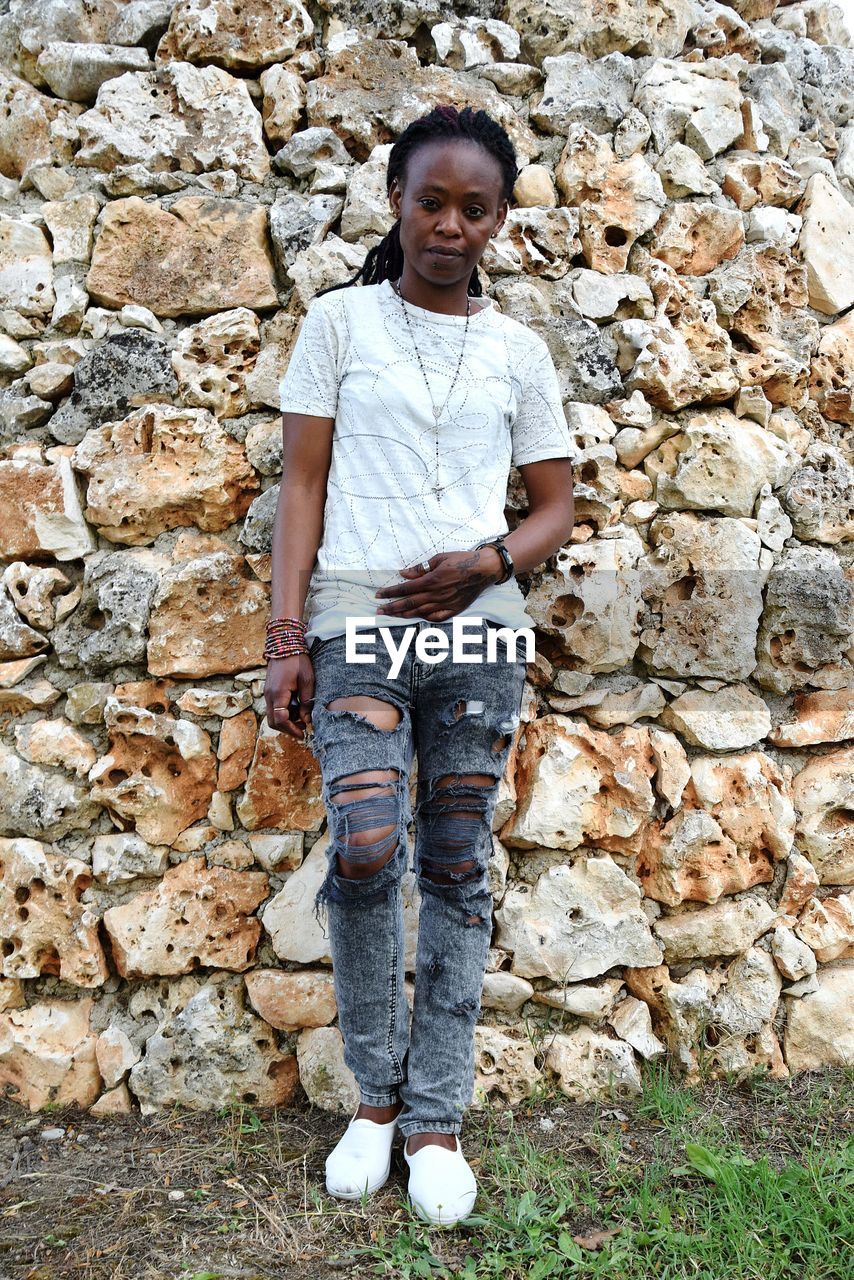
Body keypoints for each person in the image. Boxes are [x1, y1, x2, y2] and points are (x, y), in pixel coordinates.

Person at [264, 103, 577, 1227]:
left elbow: (555, 506)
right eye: (428, 201)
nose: (447, 224)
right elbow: (300, 487)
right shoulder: (339, 323)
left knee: (451, 861)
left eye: (471, 207)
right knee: (361, 848)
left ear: (497, 219)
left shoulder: (517, 352)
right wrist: (285, 635)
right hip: (356, 617)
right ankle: (375, 1101)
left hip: (476, 630)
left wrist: (484, 559)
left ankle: (436, 1115)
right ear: (395, 205)